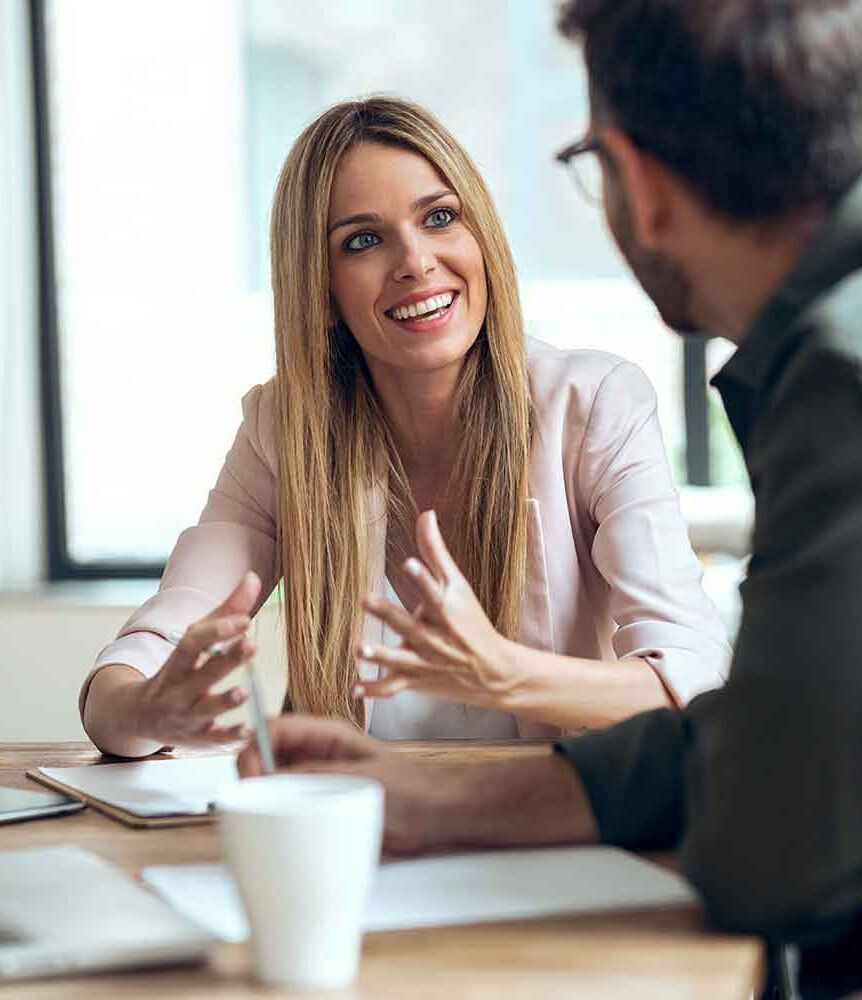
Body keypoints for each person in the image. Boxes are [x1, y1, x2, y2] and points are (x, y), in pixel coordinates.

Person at [239, 3, 862, 995]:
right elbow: (771, 744)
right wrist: (430, 800)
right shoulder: (828, 351)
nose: (414, 260)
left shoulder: (833, 378)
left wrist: (499, 687)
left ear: (638, 183)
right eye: (361, 240)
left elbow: (770, 845)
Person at [79, 96, 728, 758]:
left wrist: (505, 674)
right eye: (363, 241)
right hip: (369, 815)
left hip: (553, 811)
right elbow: (131, 677)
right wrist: (148, 709)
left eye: (439, 217)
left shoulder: (592, 404)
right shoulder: (284, 430)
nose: (415, 262)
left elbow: (694, 680)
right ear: (322, 288)